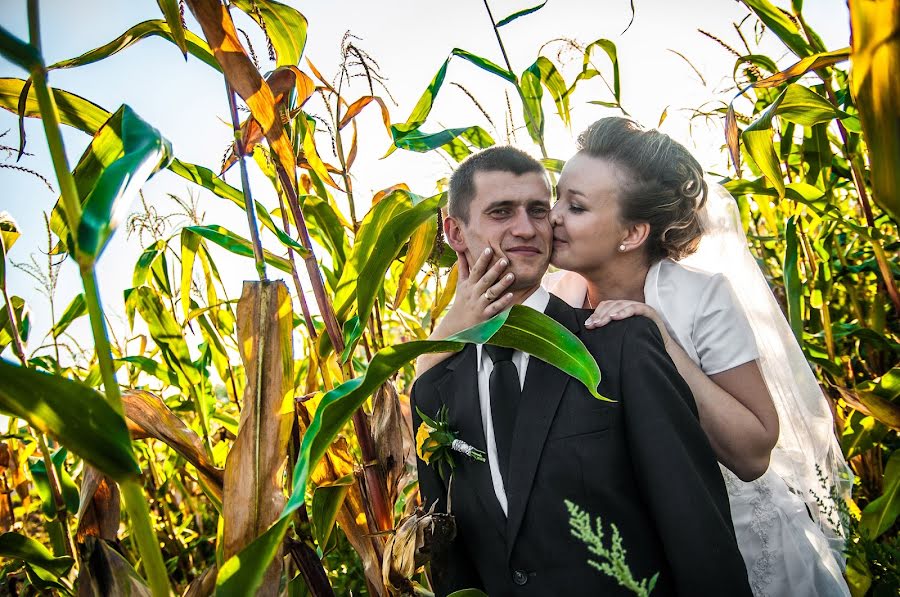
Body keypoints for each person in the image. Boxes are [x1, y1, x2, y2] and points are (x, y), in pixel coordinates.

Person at [430, 118, 851, 597]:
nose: (552, 220)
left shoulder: (698, 298)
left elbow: (753, 452)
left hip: (725, 535)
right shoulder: (558, 293)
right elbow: (440, 384)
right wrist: (456, 317)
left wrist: (662, 340)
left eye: (576, 207)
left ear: (631, 233)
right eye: (557, 202)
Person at [412, 145, 752, 596]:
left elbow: (695, 528)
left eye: (538, 209)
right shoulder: (433, 387)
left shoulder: (622, 345)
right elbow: (452, 558)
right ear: (455, 232)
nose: (527, 228)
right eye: (501, 212)